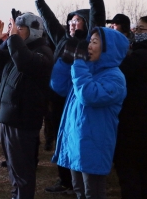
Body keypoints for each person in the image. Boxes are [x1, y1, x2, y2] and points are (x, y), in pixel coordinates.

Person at [32, 0, 105, 194]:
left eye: (77, 21)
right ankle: (65, 180)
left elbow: (97, 22)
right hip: (58, 98)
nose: (73, 25)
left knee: (78, 140)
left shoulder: (90, 41)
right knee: (60, 138)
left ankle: (80, 183)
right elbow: (51, 22)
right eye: (71, 21)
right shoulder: (63, 40)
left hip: (79, 98)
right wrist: (39, 2)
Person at [51, 27, 128, 198]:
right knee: (79, 191)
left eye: (95, 42)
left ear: (109, 49)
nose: (89, 46)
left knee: (93, 193)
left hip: (94, 145)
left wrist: (78, 63)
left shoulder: (115, 77)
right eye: (89, 41)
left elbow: (88, 96)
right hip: (76, 142)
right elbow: (59, 86)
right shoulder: (86, 70)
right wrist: (65, 61)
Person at [0, 13, 53, 199]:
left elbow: (25, 63)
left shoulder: (42, 52)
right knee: (14, 170)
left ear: (33, 32)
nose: (13, 32)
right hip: (8, 118)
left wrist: (13, 39)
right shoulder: (16, 48)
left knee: (23, 172)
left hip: (23, 121)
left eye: (19, 29)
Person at [113, 16, 147, 198]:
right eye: (136, 28)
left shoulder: (139, 57)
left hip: (134, 124)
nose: (136, 32)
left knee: (130, 173)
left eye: (141, 30)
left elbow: (119, 73)